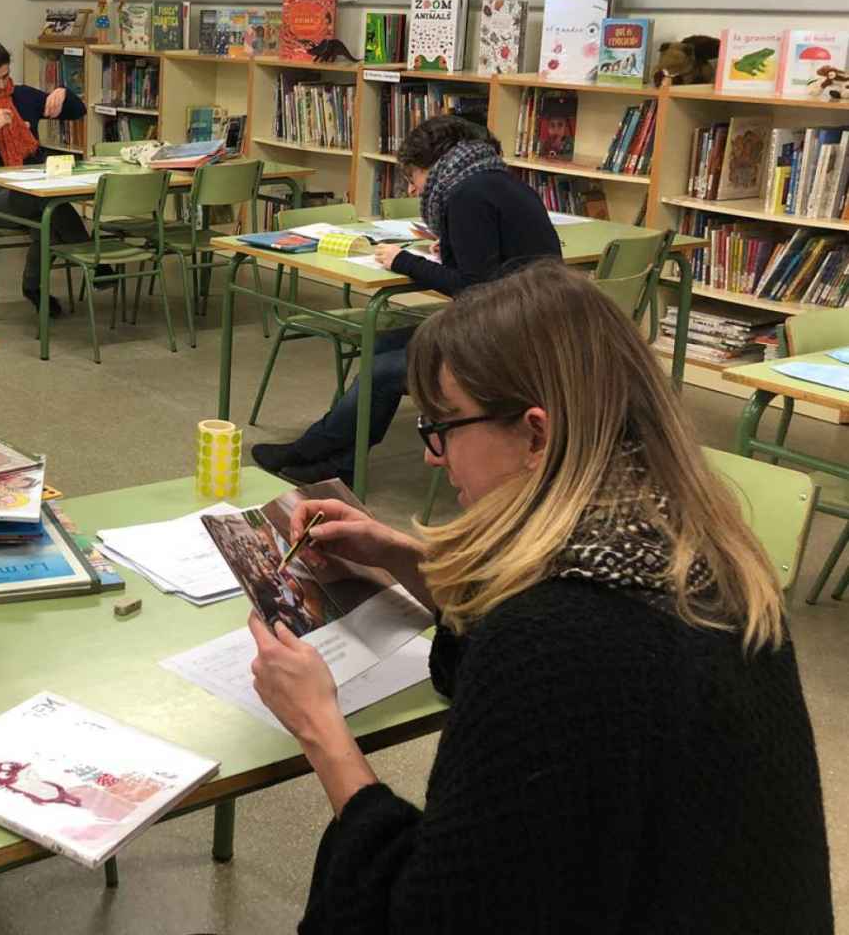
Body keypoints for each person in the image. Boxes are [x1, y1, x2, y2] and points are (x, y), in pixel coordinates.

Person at [246, 261, 831, 933]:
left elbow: (431, 918)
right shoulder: (704, 557)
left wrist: (320, 727)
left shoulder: (555, 639)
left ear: (535, 434)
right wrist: (397, 554)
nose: (434, 458)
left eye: (443, 429)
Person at [253, 114, 562, 485]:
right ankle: (340, 461)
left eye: (413, 176)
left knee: (384, 371)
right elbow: (496, 263)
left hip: (506, 343)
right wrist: (451, 246)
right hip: (533, 327)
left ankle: (315, 450)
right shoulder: (498, 182)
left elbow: (473, 287)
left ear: (434, 166)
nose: (413, 189)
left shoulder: (466, 196)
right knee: (384, 342)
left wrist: (403, 261)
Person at [0, 38, 106, 317]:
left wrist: (62, 93)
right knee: (47, 206)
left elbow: (76, 111)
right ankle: (92, 259)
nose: (0, 84)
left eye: (5, 76)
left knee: (45, 212)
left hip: (34, 189)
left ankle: (34, 287)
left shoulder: (22, 96)